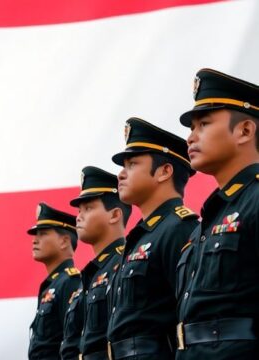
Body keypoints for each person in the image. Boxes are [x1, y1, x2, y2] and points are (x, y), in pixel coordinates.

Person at [175, 68, 259, 359]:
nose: (190, 137)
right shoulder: (207, 221)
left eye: (203, 124)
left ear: (245, 130)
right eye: (191, 127)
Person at [107, 117, 199, 359]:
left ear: (164, 172)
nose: (121, 175)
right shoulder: (140, 236)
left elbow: (187, 314)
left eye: (132, 164)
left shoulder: (179, 228)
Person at [64, 166, 131, 360]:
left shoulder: (123, 264)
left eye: (89, 208)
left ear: (115, 215)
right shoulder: (89, 274)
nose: (79, 216)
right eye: (79, 210)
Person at [27, 202, 81, 360]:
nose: (34, 240)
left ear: (64, 241)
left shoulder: (70, 282)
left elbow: (72, 342)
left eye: (43, 234)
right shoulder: (52, 285)